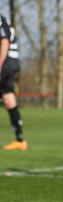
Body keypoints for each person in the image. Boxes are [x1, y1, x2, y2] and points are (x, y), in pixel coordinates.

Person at [0, 14, 26, 151]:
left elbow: (4, 41)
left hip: (6, 62)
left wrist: (0, 64)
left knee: (8, 97)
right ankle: (20, 139)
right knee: (8, 98)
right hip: (11, 61)